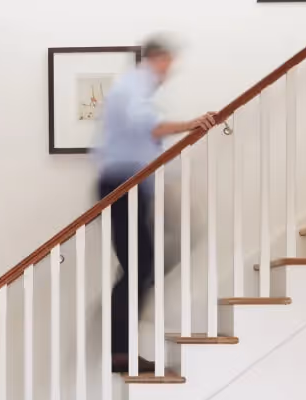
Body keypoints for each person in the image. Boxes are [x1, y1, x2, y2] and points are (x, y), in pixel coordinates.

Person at [93, 35, 217, 374]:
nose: (168, 72)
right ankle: (119, 349)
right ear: (156, 59)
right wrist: (191, 124)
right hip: (122, 184)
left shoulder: (136, 87)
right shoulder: (134, 84)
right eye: (167, 64)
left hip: (130, 185)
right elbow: (149, 126)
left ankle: (121, 340)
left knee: (141, 265)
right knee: (140, 266)